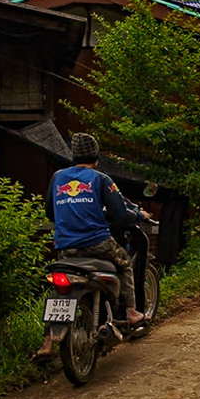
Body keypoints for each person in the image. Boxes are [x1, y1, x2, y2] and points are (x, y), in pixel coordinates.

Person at [50, 133, 145, 325]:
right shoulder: (101, 179)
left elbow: (50, 213)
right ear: (96, 157)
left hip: (65, 247)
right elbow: (120, 214)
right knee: (125, 264)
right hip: (97, 244)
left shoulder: (57, 177)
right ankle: (131, 312)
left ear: (73, 156)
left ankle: (49, 337)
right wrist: (139, 216)